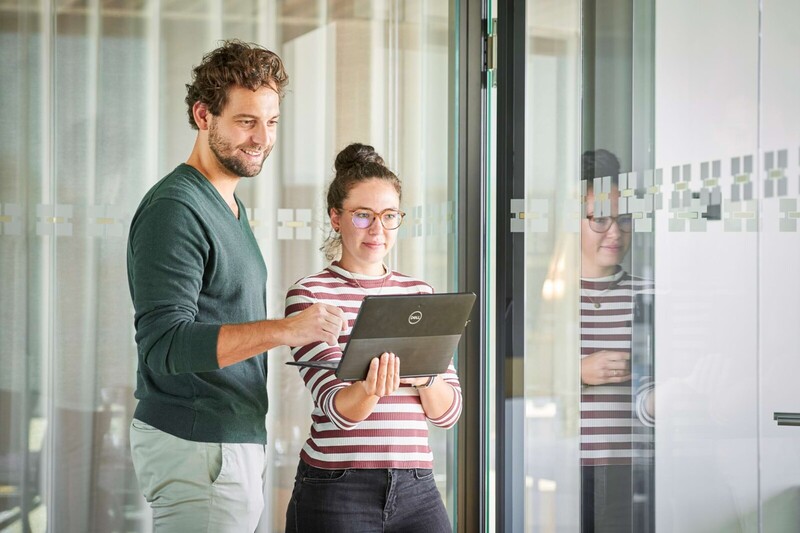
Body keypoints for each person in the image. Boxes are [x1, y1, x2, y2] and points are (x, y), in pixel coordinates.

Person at [126, 39, 345, 532]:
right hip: (199, 441)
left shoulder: (228, 206)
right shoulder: (176, 209)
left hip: (223, 442)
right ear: (204, 116)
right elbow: (164, 345)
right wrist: (286, 330)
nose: (262, 138)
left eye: (271, 122)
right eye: (246, 121)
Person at [283, 143, 462, 533]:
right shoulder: (311, 295)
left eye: (389, 216)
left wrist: (423, 376)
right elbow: (340, 411)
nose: (377, 230)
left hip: (417, 486)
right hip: (338, 487)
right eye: (363, 215)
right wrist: (372, 387)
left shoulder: (420, 294)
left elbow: (448, 413)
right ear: (336, 217)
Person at [579, 149, 655, 533]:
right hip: (563, 465)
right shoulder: (542, 299)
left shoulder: (650, 295)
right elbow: (503, 382)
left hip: (635, 468)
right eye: (599, 219)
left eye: (624, 219)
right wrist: (577, 372)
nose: (615, 232)